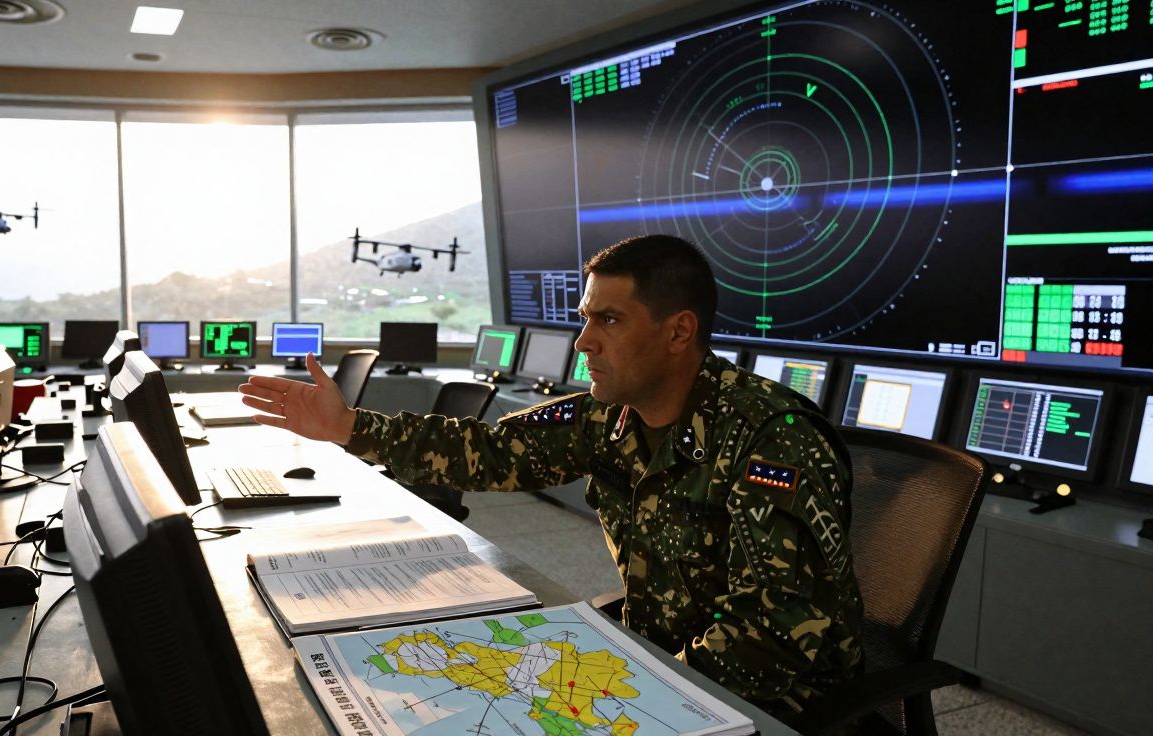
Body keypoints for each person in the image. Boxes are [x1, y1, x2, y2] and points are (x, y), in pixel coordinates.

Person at [239, 235, 863, 720]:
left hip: (772, 704)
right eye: (586, 318)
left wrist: (633, 694)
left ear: (679, 331)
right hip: (661, 669)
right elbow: (490, 450)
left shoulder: (771, 439)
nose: (583, 342)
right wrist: (351, 427)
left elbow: (771, 637)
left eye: (609, 321)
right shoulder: (607, 416)